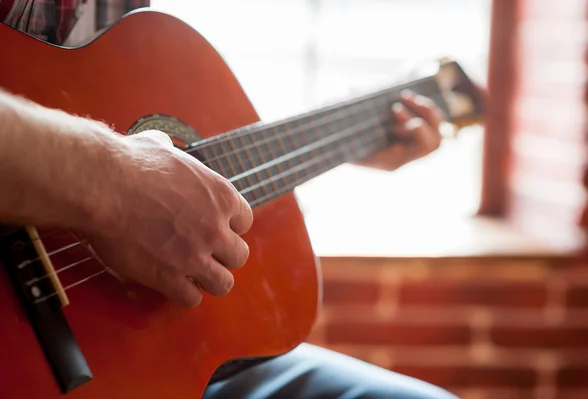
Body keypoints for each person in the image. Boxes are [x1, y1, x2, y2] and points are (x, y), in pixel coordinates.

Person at [0, 1, 460, 398]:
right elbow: (127, 171)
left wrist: (342, 136)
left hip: (120, 357)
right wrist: (112, 183)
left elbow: (107, 99)